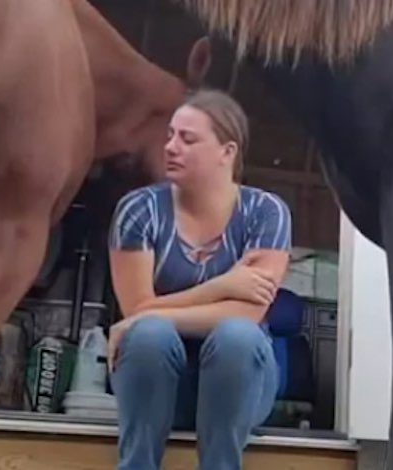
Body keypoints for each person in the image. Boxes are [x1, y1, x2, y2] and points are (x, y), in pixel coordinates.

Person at [107, 89, 292, 470]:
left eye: (187, 139)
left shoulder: (265, 212)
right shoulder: (139, 210)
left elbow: (247, 314)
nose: (171, 147)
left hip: (237, 388)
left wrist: (149, 314)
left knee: (237, 337)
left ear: (227, 152)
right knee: (149, 336)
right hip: (155, 383)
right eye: (170, 135)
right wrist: (221, 287)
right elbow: (136, 312)